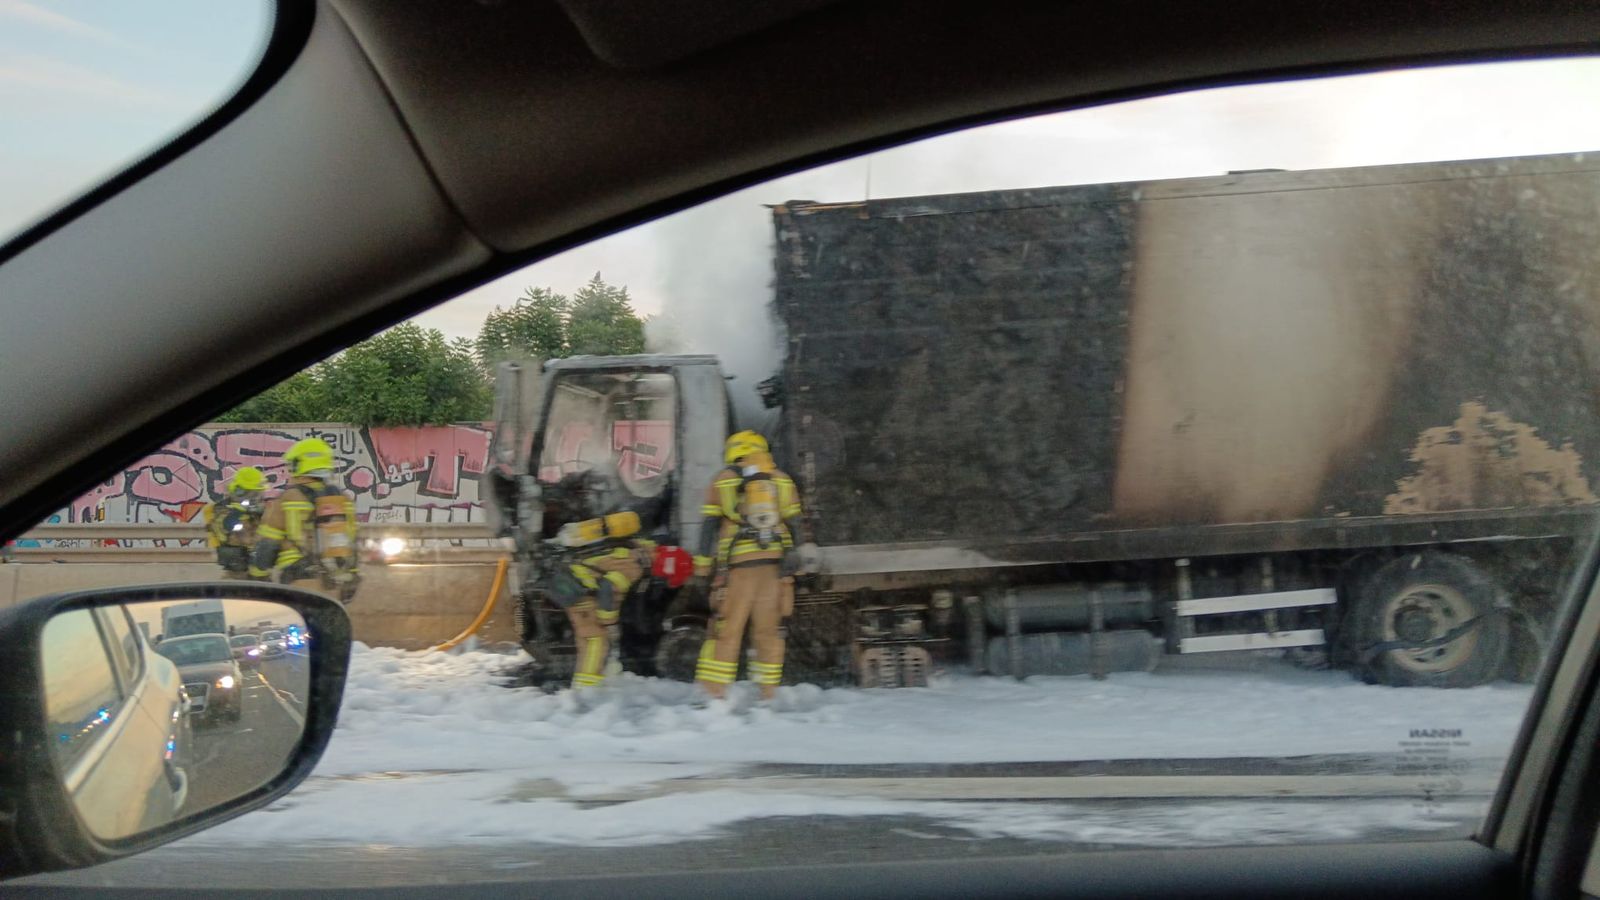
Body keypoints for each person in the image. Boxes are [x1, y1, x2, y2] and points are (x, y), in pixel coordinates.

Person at [693, 431, 804, 701]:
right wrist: (796, 558)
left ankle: (714, 695)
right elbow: (796, 522)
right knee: (768, 631)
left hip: (738, 569)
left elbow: (708, 527)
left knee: (726, 630)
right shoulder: (781, 479)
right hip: (775, 568)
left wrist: (702, 568)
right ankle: (767, 695)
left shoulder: (723, 480)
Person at [541, 469, 659, 690]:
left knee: (586, 639)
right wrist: (610, 623)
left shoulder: (624, 548)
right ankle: (588, 692)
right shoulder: (634, 565)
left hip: (563, 579)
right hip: (573, 587)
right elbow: (608, 588)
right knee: (596, 638)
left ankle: (583, 687)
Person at [249, 438, 360, 602]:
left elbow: (268, 542)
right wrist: (352, 575)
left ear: (298, 465)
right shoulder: (342, 498)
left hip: (298, 575)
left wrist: (258, 576)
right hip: (335, 578)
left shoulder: (289, 497)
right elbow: (352, 539)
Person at [203, 465, 267, 578]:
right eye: (253, 493)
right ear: (240, 491)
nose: (257, 497)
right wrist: (239, 512)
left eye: (258, 494)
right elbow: (224, 529)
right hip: (237, 571)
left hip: (261, 570)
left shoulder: (262, 511)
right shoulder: (221, 510)